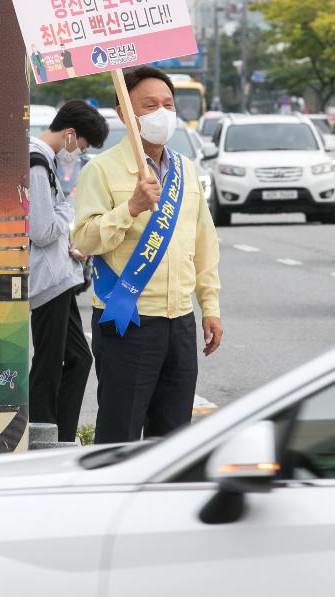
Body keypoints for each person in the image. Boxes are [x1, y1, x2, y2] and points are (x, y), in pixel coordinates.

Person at [72, 66, 223, 444]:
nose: (162, 113)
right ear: (125, 113)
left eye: (167, 104)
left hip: (180, 321)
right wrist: (132, 207)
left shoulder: (187, 171)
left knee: (173, 440)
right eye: (149, 105)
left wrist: (211, 306)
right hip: (128, 321)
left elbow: (204, 244)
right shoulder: (102, 171)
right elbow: (84, 241)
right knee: (119, 437)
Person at [29, 100, 108, 443]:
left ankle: (60, 435)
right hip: (47, 281)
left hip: (59, 278)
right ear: (71, 135)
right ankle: (43, 434)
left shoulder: (44, 160)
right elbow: (43, 230)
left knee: (77, 358)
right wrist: (72, 200)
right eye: (84, 146)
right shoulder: (36, 162)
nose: (81, 153)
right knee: (50, 362)